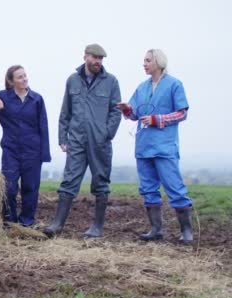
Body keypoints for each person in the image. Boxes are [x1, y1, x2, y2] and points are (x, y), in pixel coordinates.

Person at [43, 43, 122, 238]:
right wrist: (63, 137)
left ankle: (97, 227)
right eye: (94, 57)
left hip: (99, 142)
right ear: (85, 56)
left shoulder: (111, 82)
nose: (97, 62)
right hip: (76, 140)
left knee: (101, 182)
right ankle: (57, 224)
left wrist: (106, 133)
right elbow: (65, 111)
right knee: (69, 180)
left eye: (101, 59)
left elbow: (116, 110)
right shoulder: (72, 80)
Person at [117, 49, 193, 244]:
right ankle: (156, 230)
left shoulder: (174, 85)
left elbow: (182, 113)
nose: (144, 64)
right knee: (148, 189)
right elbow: (134, 114)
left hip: (164, 146)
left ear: (158, 62)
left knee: (175, 188)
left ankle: (186, 232)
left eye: (147, 60)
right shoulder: (141, 88)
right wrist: (127, 109)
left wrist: (157, 119)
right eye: (144, 61)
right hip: (143, 147)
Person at [0, 65, 51, 226]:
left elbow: (43, 126)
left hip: (33, 151)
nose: (24, 79)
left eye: (25, 76)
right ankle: (10, 221)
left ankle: (27, 222)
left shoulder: (37, 99)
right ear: (11, 81)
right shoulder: (4, 97)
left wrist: (44, 154)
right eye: (19, 77)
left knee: (30, 188)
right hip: (11, 151)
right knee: (9, 187)